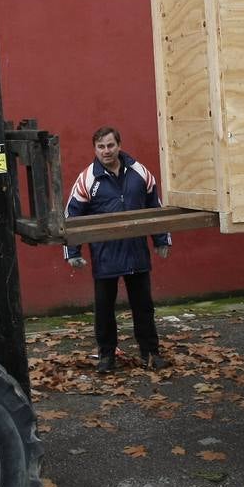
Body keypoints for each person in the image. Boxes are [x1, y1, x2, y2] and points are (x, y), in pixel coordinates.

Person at [64, 126, 170, 373]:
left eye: (110, 145)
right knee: (104, 311)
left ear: (119, 145)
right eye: (100, 147)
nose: (106, 151)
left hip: (136, 253)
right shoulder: (87, 178)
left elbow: (155, 207)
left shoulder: (139, 172)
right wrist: (73, 252)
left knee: (143, 307)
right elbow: (71, 217)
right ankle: (106, 357)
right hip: (105, 257)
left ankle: (150, 353)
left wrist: (161, 240)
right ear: (95, 149)